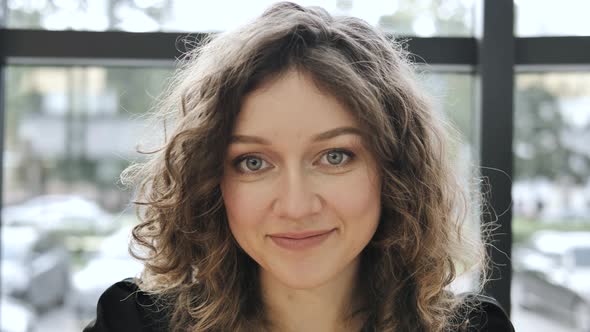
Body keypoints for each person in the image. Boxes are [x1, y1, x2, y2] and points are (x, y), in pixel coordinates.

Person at [83, 2, 514, 331]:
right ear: (209, 181)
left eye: (335, 156)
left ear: (396, 172)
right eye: (253, 162)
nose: (295, 206)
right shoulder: (132, 324)